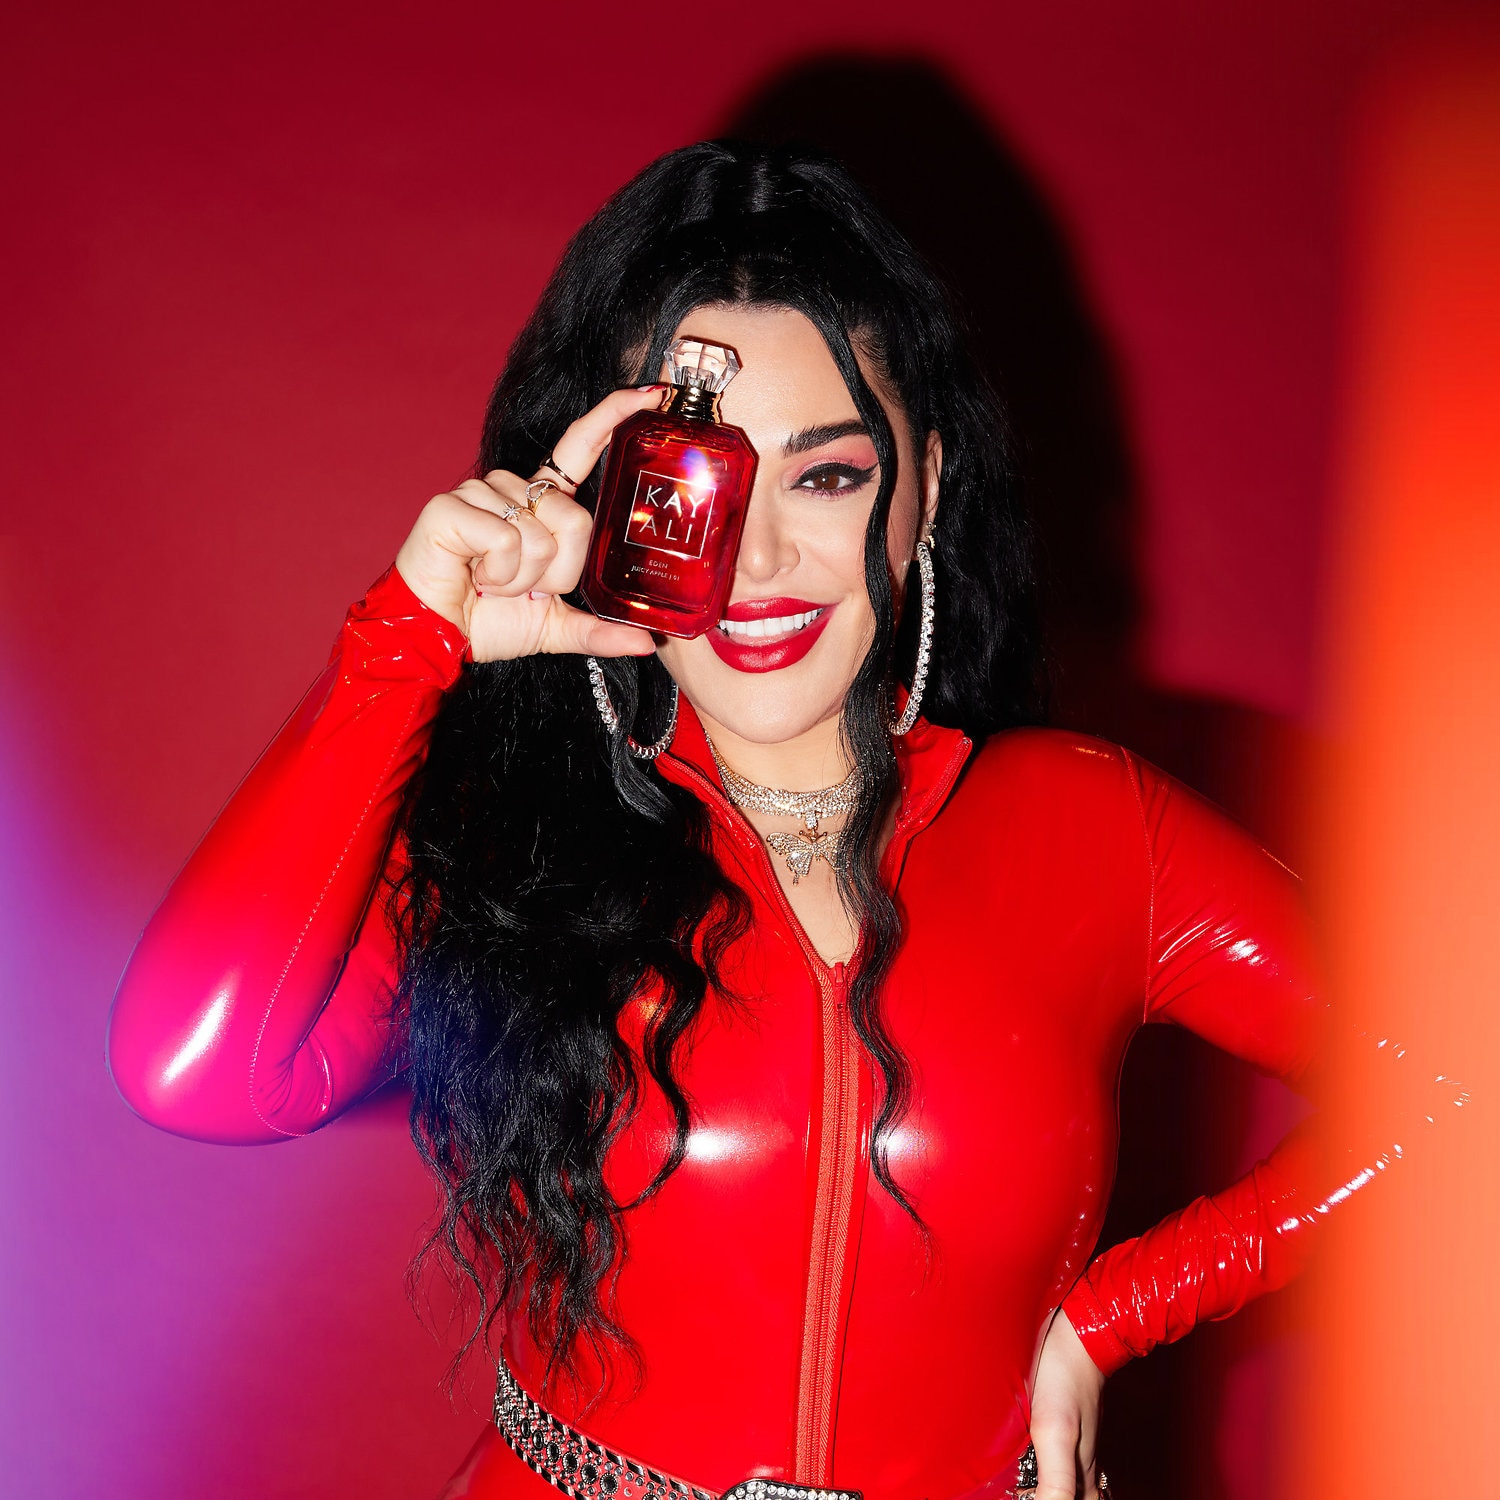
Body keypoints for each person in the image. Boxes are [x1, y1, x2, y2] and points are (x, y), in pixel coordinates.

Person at [106, 141, 1455, 1500]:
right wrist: (404, 646)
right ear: (606, 501)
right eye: (691, 485)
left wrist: (1108, 1321)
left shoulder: (1099, 832)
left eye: (826, 477)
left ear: (925, 488)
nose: (754, 560)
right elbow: (194, 1072)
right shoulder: (514, 841)